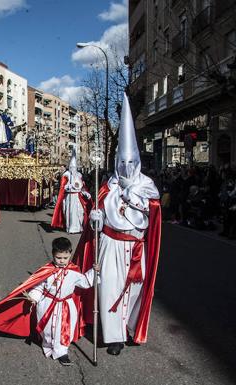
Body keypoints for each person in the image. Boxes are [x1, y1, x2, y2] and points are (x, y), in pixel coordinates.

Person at [74, 94, 161, 356]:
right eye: (122, 163)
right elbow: (95, 217)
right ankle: (114, 337)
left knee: (134, 290)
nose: (126, 167)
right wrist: (95, 218)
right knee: (110, 287)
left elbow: (152, 216)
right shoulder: (107, 186)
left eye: (130, 162)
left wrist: (132, 199)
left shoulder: (147, 187)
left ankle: (128, 326)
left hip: (135, 247)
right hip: (110, 245)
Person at [0, 237, 95, 366]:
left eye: (65, 258)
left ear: (70, 254)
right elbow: (38, 286)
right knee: (47, 328)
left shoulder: (73, 272)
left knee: (63, 329)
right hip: (47, 304)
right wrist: (33, 297)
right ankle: (47, 345)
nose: (62, 261)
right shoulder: (47, 270)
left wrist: (94, 272)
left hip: (65, 306)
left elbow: (85, 282)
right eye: (58, 258)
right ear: (53, 255)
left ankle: (62, 351)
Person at [51, 146, 91, 233]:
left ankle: (79, 227)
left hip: (78, 196)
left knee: (80, 212)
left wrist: (85, 192)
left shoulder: (79, 175)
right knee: (70, 213)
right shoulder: (66, 174)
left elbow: (82, 185)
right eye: (71, 167)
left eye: (74, 167)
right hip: (69, 197)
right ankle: (71, 228)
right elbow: (63, 187)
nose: (73, 168)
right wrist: (68, 186)